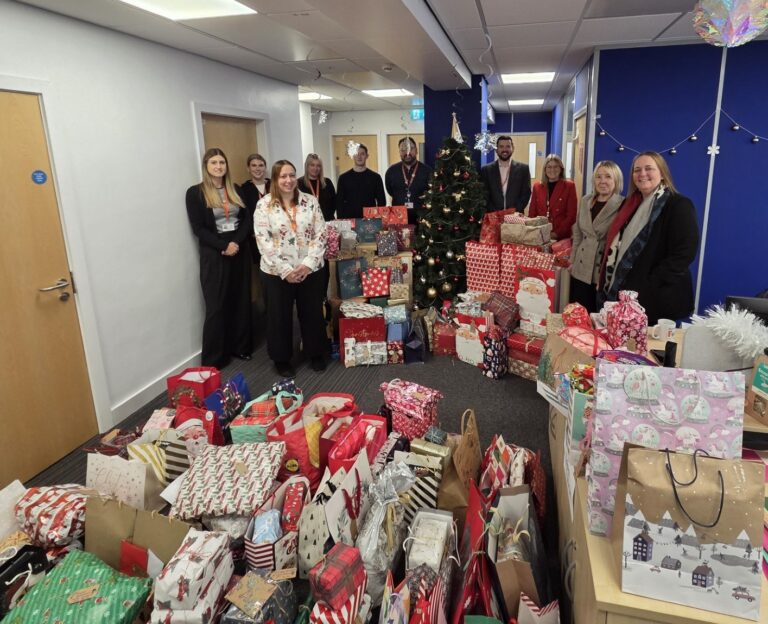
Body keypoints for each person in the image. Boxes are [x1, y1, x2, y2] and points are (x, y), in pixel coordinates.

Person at [599, 151, 699, 324]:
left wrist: (650, 283)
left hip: (659, 297)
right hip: (633, 296)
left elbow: (684, 253)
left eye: (648, 169)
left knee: (651, 349)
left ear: (662, 174)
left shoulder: (678, 204)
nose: (642, 174)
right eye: (637, 170)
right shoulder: (632, 206)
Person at [254, 159, 327, 377]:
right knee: (279, 317)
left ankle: (315, 353)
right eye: (283, 176)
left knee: (312, 312)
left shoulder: (310, 201)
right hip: (276, 273)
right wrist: (285, 270)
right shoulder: (263, 205)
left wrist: (307, 264)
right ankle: (282, 359)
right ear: (275, 180)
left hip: (310, 269)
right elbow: (263, 240)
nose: (288, 180)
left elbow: (320, 234)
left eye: (291, 175)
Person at [185, 148, 252, 368]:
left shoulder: (236, 189)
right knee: (216, 306)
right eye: (213, 162)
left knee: (240, 301)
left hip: (239, 249)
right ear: (206, 166)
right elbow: (198, 228)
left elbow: (247, 220)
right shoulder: (195, 193)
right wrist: (223, 246)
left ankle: (240, 348)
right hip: (215, 253)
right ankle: (215, 358)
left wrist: (236, 243)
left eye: (222, 162)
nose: (218, 166)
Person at [570, 161, 625, 312]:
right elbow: (578, 233)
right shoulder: (586, 200)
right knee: (578, 314)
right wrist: (572, 261)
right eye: (598, 177)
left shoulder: (622, 205)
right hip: (580, 268)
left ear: (616, 180)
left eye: (608, 177)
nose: (602, 181)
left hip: (602, 271)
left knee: (597, 317)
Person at [529, 154, 578, 240]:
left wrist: (556, 233)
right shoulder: (537, 186)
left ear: (561, 169)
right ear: (545, 169)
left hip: (561, 236)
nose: (552, 170)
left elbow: (571, 215)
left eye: (556, 167)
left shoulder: (569, 186)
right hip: (539, 235)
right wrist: (533, 231)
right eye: (549, 167)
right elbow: (532, 213)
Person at [384, 136, 432, 224]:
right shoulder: (391, 171)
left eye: (411, 148)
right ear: (399, 152)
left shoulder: (427, 171)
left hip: (422, 220)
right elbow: (390, 191)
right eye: (403, 149)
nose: (407, 152)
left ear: (416, 150)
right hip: (398, 219)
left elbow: (432, 194)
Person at [479, 135, 531, 212]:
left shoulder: (523, 169)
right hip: (493, 216)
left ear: (512, 148)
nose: (504, 149)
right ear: (496, 149)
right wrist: (495, 212)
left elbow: (526, 193)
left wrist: (515, 210)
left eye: (508, 146)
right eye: (501, 146)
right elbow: (484, 194)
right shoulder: (486, 170)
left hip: (515, 217)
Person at [335, 144, 386, 219]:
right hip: (349, 220)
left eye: (362, 154)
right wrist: (341, 221)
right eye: (356, 154)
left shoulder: (375, 177)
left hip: (370, 220)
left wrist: (378, 219)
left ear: (367, 156)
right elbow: (339, 203)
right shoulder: (343, 178)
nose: (359, 157)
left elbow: (382, 202)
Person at [240, 153, 270, 263]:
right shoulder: (243, 189)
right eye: (254, 165)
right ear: (248, 168)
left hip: (277, 233)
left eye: (261, 165)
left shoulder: (274, 185)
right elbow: (244, 215)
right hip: (256, 237)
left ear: (265, 168)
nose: (257, 169)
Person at [298, 153, 336, 221]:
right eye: (312, 165)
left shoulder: (327, 182)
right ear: (307, 166)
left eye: (318, 166)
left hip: (327, 221)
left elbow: (334, 203)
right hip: (308, 224)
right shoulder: (299, 183)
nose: (315, 168)